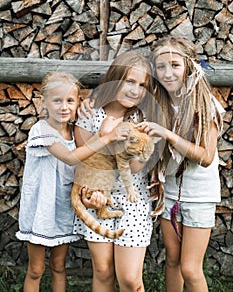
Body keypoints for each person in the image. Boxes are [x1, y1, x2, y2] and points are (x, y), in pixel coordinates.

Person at [16, 71, 130, 292]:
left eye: (70, 101)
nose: (64, 107)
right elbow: (70, 157)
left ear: (79, 102)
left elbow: (86, 157)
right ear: (44, 102)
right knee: (36, 269)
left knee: (59, 266)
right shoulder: (42, 131)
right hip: (41, 209)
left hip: (63, 209)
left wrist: (96, 122)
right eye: (57, 101)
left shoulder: (74, 132)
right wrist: (106, 136)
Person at [137, 35, 225, 292]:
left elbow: (206, 157)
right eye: (161, 66)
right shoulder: (158, 103)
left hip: (198, 195)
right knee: (172, 261)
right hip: (170, 192)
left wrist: (167, 134)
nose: (167, 73)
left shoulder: (203, 103)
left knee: (190, 267)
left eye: (174, 65)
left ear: (189, 65)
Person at [73, 51, 156, 292]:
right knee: (103, 270)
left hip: (133, 201)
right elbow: (86, 162)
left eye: (142, 85)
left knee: (130, 279)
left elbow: (137, 166)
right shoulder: (90, 113)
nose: (135, 90)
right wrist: (90, 195)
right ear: (115, 78)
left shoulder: (142, 118)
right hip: (98, 198)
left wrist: (122, 141)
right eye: (129, 81)